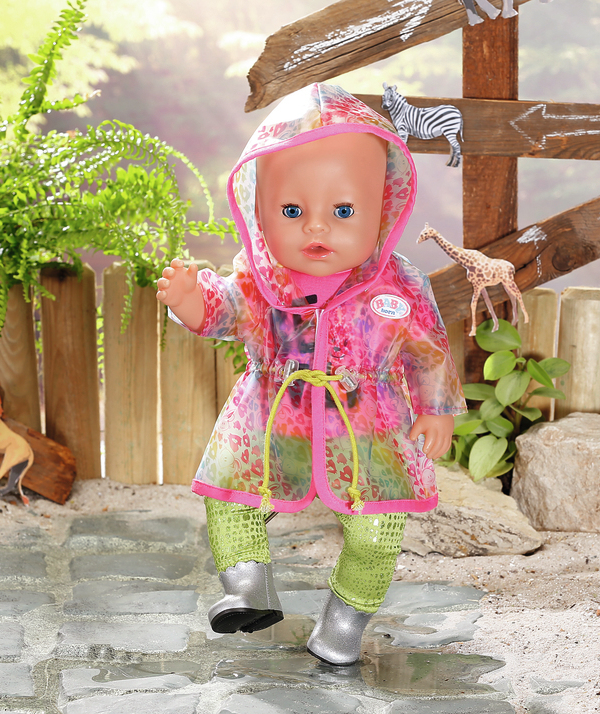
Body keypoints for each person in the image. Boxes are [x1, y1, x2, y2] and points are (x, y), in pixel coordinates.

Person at [156, 83, 466, 666]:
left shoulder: (399, 285)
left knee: (378, 530)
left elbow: (428, 349)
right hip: (270, 417)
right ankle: (247, 587)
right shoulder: (259, 279)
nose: (316, 228)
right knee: (230, 499)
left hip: (370, 425)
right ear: (259, 208)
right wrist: (188, 300)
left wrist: (436, 408)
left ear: (383, 209)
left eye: (343, 211)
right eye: (292, 212)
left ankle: (345, 622)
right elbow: (223, 310)